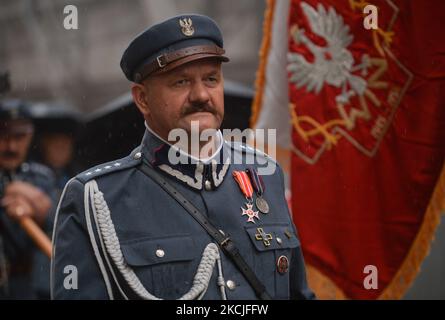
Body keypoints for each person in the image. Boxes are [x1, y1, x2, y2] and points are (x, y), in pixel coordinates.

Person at [51, 14, 314, 300]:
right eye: (181, 82)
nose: (201, 94)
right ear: (142, 99)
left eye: (211, 79)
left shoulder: (266, 174)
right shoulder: (95, 196)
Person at [0, 98, 56, 299]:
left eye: (19, 136)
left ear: (30, 136)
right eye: (3, 136)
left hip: (28, 283)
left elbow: (58, 226)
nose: (11, 146)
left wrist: (40, 212)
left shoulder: (42, 178)